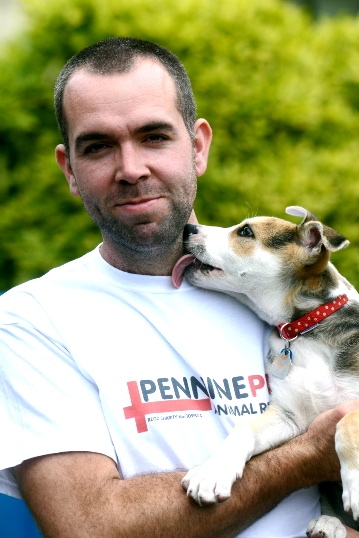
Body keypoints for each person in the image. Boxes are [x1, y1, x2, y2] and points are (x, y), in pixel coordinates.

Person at [0, 37, 358, 538]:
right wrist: (302, 458)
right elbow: (88, 528)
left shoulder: (284, 299)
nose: (131, 169)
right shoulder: (33, 318)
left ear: (197, 147)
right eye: (98, 146)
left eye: (154, 137)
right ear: (70, 170)